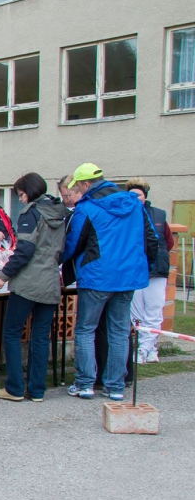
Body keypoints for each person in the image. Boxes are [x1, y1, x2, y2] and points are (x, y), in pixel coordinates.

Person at [61, 163, 158, 402]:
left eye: (78, 186)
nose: (78, 191)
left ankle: (85, 384)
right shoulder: (134, 204)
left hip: (96, 277)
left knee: (85, 330)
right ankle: (115, 387)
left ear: (86, 184)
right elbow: (151, 238)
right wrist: (142, 265)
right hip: (128, 277)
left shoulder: (87, 207)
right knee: (119, 332)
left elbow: (72, 244)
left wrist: (58, 262)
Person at [0, 173, 66, 402]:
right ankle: (37, 390)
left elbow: (24, 250)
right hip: (51, 281)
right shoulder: (60, 212)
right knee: (41, 337)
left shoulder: (30, 213)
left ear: (29, 192)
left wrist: (3, 275)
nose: (21, 199)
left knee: (12, 332)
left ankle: (14, 388)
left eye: (21, 194)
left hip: (28, 282)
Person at [125, 178, 174, 363]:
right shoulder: (124, 215)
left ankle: (145, 349)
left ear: (145, 196)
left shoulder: (158, 215)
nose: (135, 198)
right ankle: (148, 348)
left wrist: (156, 258)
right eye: (131, 195)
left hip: (156, 271)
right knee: (136, 312)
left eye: (138, 194)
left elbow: (167, 241)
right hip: (134, 270)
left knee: (153, 310)